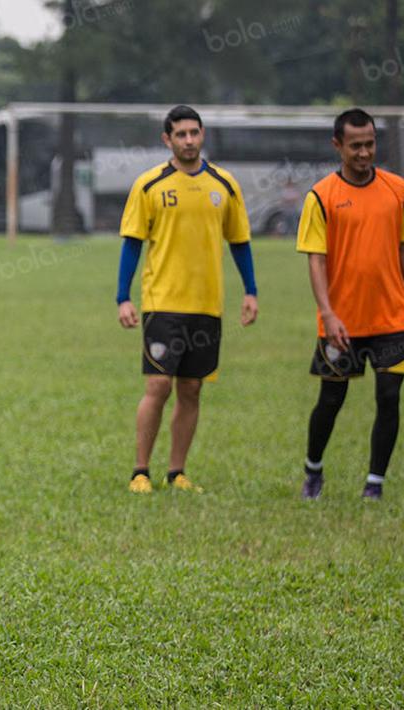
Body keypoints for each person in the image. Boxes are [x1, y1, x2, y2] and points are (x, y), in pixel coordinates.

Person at [116, 105, 258, 494]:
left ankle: (176, 472)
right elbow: (131, 244)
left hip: (207, 305)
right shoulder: (150, 185)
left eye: (194, 132)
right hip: (163, 303)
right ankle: (140, 471)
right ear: (167, 140)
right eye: (181, 134)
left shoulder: (224, 185)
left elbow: (240, 242)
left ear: (203, 135)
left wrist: (251, 290)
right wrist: (122, 297)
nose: (189, 140)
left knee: (191, 389)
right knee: (158, 386)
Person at [297, 109, 404, 501]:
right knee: (331, 399)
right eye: (356, 145)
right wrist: (328, 312)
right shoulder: (321, 196)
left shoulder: (397, 190)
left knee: (390, 396)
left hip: (392, 317)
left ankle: (375, 482)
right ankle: (314, 469)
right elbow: (315, 259)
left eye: (370, 144)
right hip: (341, 320)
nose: (364, 153)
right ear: (337, 145)